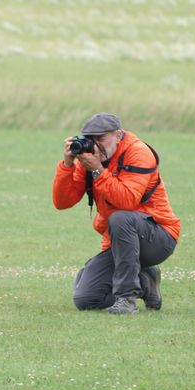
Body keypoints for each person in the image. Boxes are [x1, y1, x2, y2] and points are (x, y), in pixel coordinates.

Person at [52, 113, 181, 314]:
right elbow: (62, 202)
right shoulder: (89, 160)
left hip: (158, 236)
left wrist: (97, 170)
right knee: (86, 298)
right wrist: (67, 166)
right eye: (90, 139)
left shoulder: (138, 152)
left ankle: (126, 299)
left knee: (120, 218)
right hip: (120, 242)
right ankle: (145, 282)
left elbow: (127, 202)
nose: (95, 145)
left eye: (101, 138)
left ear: (118, 135)